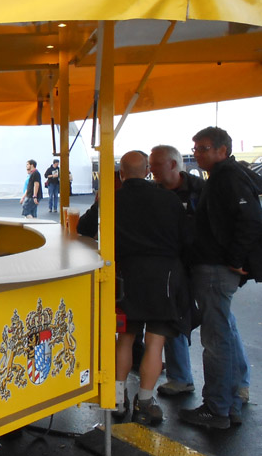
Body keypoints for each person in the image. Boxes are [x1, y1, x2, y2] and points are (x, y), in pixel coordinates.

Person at [180, 127, 262, 429]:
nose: (197, 153)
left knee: (216, 340)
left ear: (222, 151)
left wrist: (236, 260)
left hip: (216, 270)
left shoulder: (228, 177)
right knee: (225, 331)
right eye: (196, 148)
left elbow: (252, 220)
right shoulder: (224, 176)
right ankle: (232, 398)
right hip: (217, 268)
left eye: (203, 148)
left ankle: (217, 409)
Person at [112, 151, 189, 425]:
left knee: (126, 338)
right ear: (147, 170)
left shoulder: (113, 199)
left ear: (121, 173)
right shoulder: (169, 199)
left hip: (127, 277)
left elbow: (86, 227)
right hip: (164, 278)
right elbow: (185, 238)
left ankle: (117, 400)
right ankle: (144, 402)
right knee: (155, 343)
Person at [149, 145, 206, 397]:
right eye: (149, 165)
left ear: (173, 164)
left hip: (201, 263)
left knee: (218, 321)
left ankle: (238, 385)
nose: (151, 170)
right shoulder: (153, 193)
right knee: (172, 317)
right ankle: (180, 377)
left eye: (156, 165)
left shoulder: (200, 189)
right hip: (169, 267)